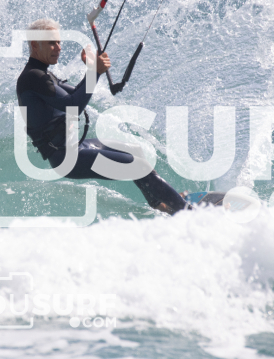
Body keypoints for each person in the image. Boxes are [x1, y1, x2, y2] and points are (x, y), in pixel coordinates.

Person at [17, 18, 189, 214]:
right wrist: (95, 72)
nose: (58, 47)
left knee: (134, 151)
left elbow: (76, 94)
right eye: (51, 43)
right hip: (67, 158)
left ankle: (160, 204)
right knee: (138, 166)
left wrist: (92, 70)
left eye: (59, 42)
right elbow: (74, 106)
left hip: (76, 147)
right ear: (35, 45)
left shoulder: (44, 75)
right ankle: (187, 212)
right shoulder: (33, 78)